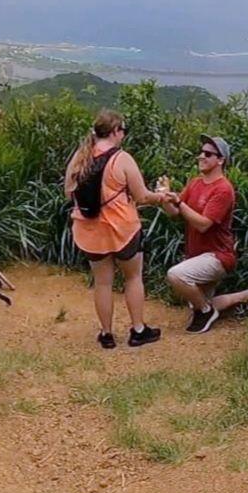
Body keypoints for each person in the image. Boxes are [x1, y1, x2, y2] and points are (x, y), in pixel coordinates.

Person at [64, 109, 174, 349]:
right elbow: (142, 196)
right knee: (133, 277)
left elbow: (68, 192)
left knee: (102, 282)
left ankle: (106, 334)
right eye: (123, 130)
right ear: (115, 131)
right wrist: (163, 197)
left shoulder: (80, 157)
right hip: (123, 229)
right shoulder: (121, 159)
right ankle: (138, 330)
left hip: (89, 230)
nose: (123, 135)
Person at [163, 134, 248, 333]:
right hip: (197, 255)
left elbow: (203, 224)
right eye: (201, 152)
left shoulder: (223, 190)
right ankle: (247, 295)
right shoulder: (195, 183)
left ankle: (206, 311)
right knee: (198, 302)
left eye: (208, 154)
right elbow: (175, 213)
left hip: (218, 257)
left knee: (176, 275)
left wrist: (178, 202)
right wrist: (165, 199)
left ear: (220, 160)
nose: (201, 156)